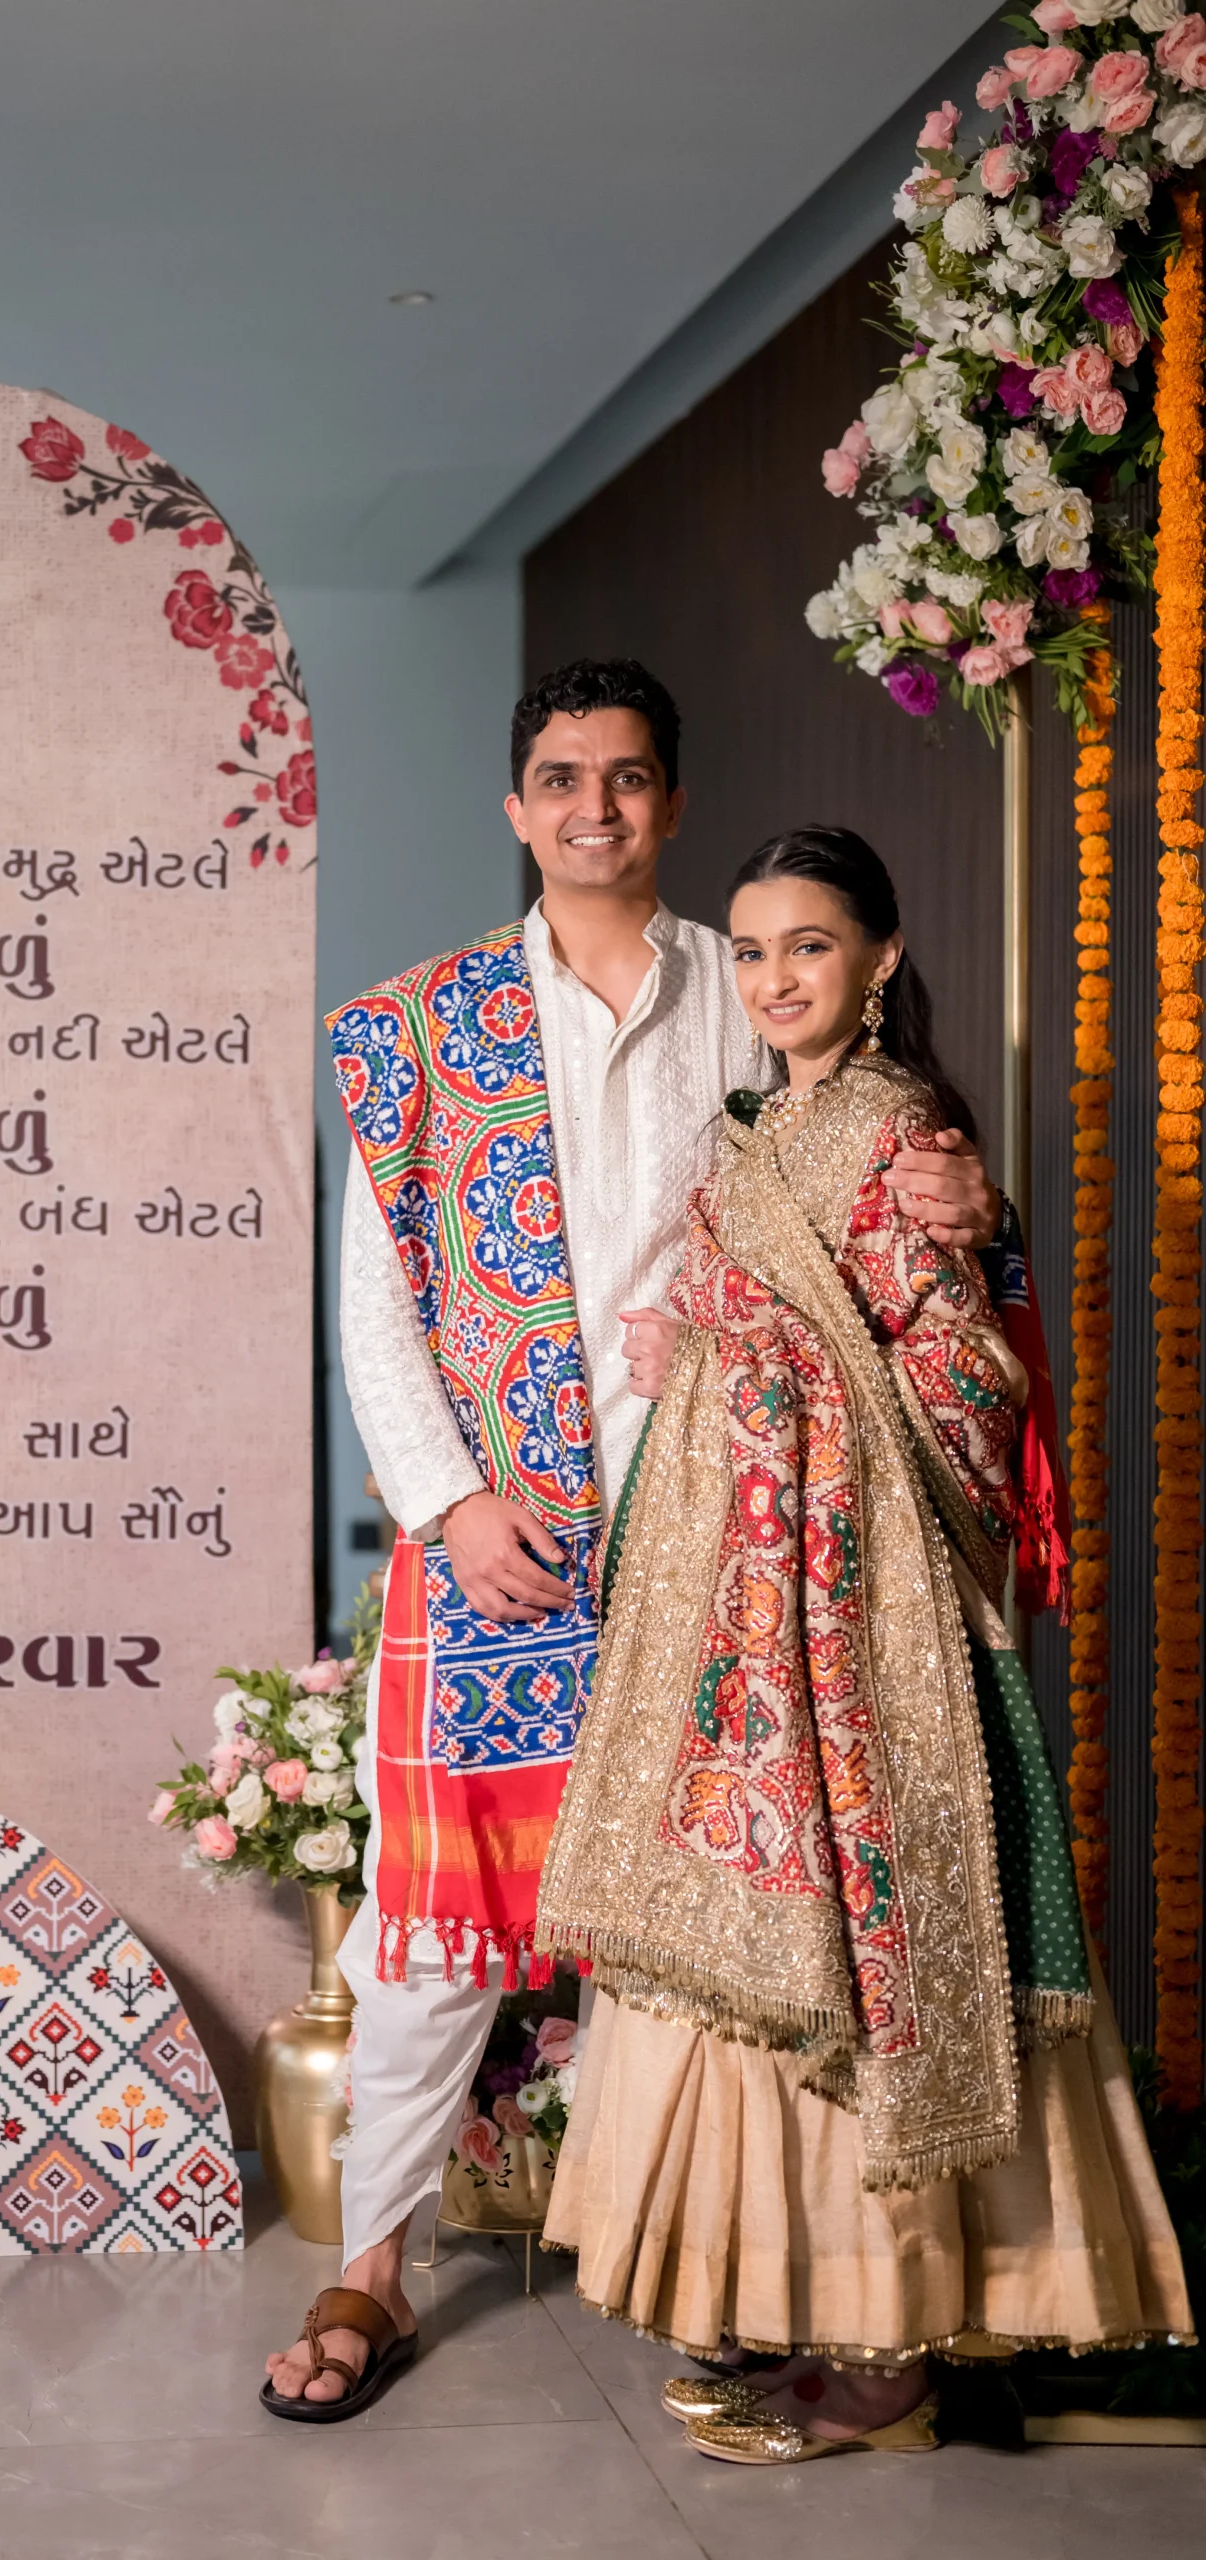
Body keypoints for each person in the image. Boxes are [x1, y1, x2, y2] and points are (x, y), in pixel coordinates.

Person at [262, 668, 1006, 2419]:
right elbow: (376, 1303)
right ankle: (372, 2270)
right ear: (514, 810)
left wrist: (970, 1203)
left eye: (624, 777)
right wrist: (450, 1505)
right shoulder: (419, 1029)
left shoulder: (747, 994)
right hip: (501, 1537)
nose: (590, 806)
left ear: (668, 803)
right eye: (558, 777)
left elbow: (873, 1192)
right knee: (437, 1920)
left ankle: (716, 2267)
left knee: (727, 1913)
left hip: (731, 1534)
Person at [534, 826, 1194, 2463]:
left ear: (881, 960)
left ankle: (892, 2348)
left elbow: (971, 1381)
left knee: (868, 1931)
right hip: (741, 1609)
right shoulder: (755, 1127)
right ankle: (785, 2298)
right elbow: (735, 1316)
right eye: (754, 950)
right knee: (764, 1946)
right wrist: (700, 1345)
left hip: (859, 1609)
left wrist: (766, 1372)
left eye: (810, 946)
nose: (775, 980)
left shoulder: (901, 1135)